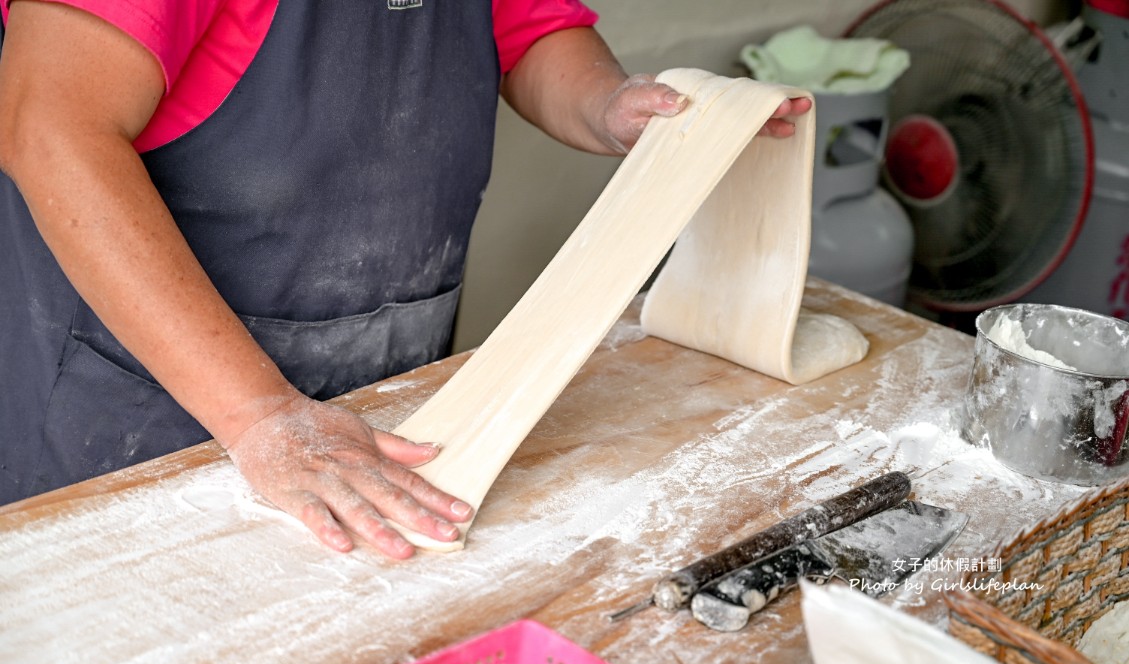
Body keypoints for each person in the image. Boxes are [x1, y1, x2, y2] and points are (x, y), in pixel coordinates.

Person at [0, 0, 810, 558]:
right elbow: (50, 132)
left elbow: (529, 31)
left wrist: (610, 105)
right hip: (148, 410)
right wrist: (259, 415)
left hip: (387, 389)